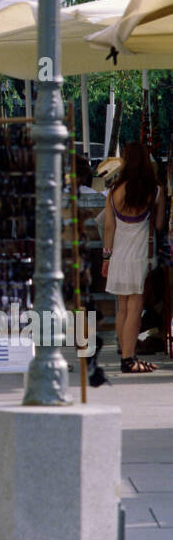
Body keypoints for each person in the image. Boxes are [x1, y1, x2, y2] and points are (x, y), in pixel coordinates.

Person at [102, 142, 165, 373]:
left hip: (118, 255)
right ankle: (129, 360)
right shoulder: (155, 190)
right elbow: (158, 226)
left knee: (123, 308)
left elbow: (109, 229)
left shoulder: (113, 192)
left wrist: (106, 258)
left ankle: (126, 355)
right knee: (135, 308)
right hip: (141, 255)